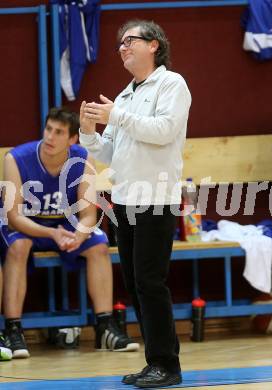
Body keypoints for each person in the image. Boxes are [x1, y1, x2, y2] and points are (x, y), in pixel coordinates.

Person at [79, 19, 191, 388]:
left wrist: (118, 117)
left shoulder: (172, 84)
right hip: (124, 200)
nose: (123, 47)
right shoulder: (125, 94)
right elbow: (109, 153)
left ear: (154, 44)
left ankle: (167, 365)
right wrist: (88, 132)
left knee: (150, 281)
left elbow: (163, 131)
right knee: (136, 283)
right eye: (120, 44)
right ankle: (153, 361)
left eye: (130, 41)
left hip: (156, 199)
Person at [0, 107, 139, 358]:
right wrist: (51, 234)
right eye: (48, 129)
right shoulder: (15, 159)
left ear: (73, 138)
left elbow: (87, 214)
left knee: (98, 243)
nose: (50, 137)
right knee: (18, 247)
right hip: (27, 226)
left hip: (64, 225)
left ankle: (105, 327)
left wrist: (80, 235)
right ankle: (12, 330)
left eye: (59, 132)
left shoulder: (83, 157)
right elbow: (14, 217)